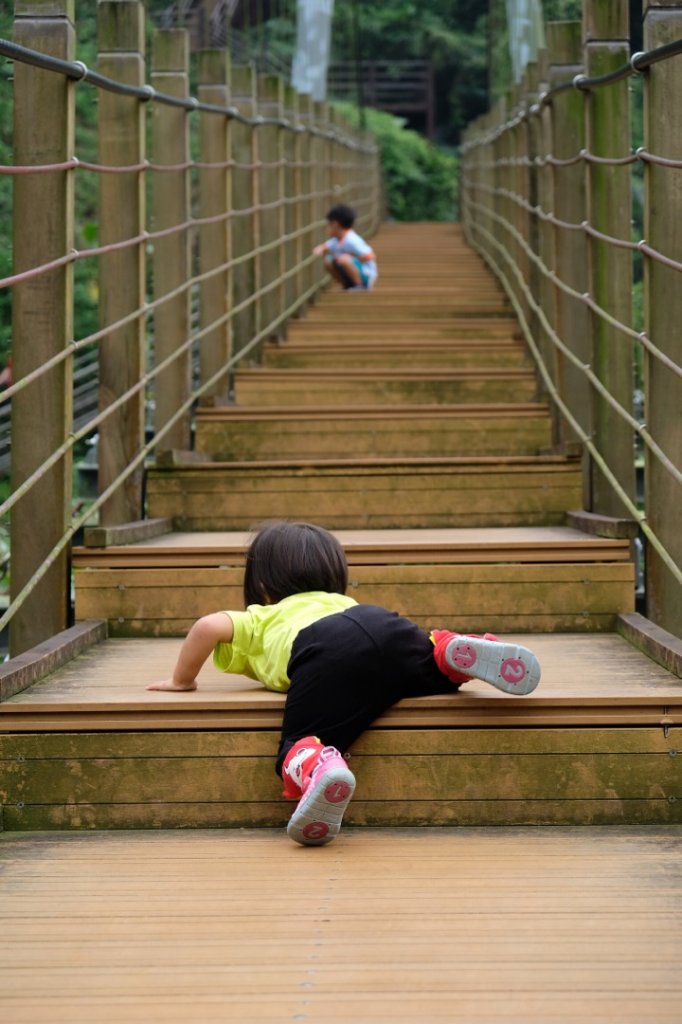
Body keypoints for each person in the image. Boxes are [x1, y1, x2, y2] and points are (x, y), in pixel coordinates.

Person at [148, 521, 541, 847]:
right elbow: (367, 642)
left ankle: (318, 767)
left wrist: (182, 681)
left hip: (324, 650)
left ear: (262, 584)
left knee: (301, 739)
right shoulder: (343, 602)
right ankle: (450, 653)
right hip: (383, 624)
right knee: (426, 668)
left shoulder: (262, 616)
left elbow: (207, 627)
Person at [313, 203, 378, 291]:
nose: (327, 228)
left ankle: (360, 286)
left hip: (366, 274)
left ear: (335, 225)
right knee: (328, 261)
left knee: (343, 259)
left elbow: (370, 256)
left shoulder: (352, 240)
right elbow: (325, 246)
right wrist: (319, 249)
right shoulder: (337, 240)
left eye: (329, 225)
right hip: (353, 270)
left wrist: (351, 258)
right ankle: (347, 285)